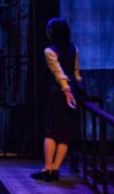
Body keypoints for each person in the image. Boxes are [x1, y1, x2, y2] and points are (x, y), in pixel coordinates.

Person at [32, 18, 83, 182]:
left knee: (51, 131)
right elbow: (76, 73)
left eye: (49, 29)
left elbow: (58, 72)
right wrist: (75, 89)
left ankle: (48, 167)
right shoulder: (74, 48)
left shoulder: (49, 51)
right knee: (64, 133)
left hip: (59, 93)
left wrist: (67, 91)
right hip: (72, 90)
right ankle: (55, 168)